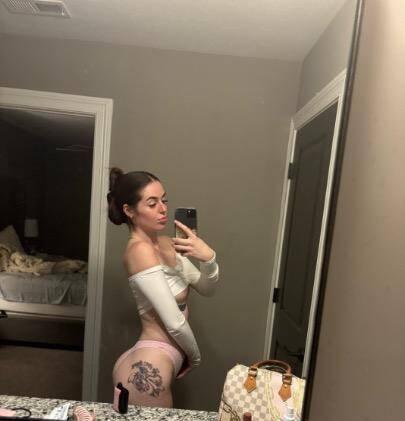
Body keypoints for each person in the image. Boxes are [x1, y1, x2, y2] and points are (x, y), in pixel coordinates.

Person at [107, 168, 219, 408]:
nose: (163, 209)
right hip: (150, 362)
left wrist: (208, 258)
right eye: (152, 203)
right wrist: (195, 358)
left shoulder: (168, 243)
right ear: (129, 210)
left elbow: (207, 288)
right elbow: (174, 322)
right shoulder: (139, 251)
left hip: (162, 355)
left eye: (164, 200)